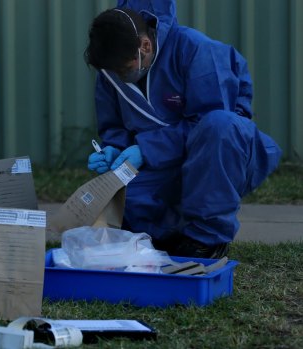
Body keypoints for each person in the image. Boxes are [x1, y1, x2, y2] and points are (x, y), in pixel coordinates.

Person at [84, 0, 282, 258]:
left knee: (219, 125)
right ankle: (171, 236)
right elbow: (114, 128)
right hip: (161, 161)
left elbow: (212, 125)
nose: (119, 77)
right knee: (124, 211)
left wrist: (145, 149)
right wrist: (114, 150)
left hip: (216, 155)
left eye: (124, 69)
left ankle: (206, 240)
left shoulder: (195, 50)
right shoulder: (111, 71)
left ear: (145, 46)